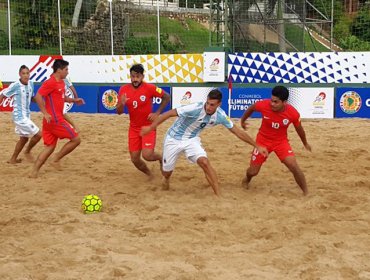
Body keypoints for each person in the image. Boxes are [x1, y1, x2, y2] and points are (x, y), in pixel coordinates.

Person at [141, 89, 268, 196]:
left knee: (204, 162)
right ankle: (166, 177)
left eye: (212, 104)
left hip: (191, 139)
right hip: (173, 139)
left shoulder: (221, 116)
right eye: (207, 103)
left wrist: (257, 146)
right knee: (167, 172)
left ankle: (219, 196)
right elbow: (169, 113)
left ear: (219, 104)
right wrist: (150, 128)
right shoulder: (194, 108)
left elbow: (237, 131)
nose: (208, 107)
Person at [240, 85, 312, 196]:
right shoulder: (264, 105)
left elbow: (299, 129)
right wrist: (243, 121)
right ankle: (247, 178)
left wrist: (305, 143)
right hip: (262, 141)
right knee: (253, 171)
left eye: (276, 102)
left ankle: (306, 192)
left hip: (281, 142)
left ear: (284, 102)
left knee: (294, 166)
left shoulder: (293, 113)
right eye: (271, 100)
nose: (272, 104)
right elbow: (251, 108)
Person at [30, 59, 85, 178]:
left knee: (49, 147)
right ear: (59, 70)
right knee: (76, 139)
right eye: (66, 69)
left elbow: (62, 97)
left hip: (51, 121)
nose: (67, 72)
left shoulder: (61, 82)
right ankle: (56, 159)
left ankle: (34, 171)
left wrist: (74, 100)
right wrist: (44, 112)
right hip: (55, 120)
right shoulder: (50, 82)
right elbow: (38, 96)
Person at [116, 64, 170, 178]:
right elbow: (119, 112)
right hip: (134, 128)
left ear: (142, 76)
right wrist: (121, 103)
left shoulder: (149, 88)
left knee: (147, 155)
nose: (135, 79)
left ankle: (161, 158)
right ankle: (150, 175)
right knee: (135, 159)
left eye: (138, 76)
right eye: (133, 76)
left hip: (148, 127)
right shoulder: (123, 89)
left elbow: (167, 96)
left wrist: (157, 113)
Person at [0, 65, 42, 163]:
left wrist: (41, 101)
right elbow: (2, 95)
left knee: (24, 139)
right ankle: (27, 152)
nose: (26, 75)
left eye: (27, 73)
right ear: (19, 74)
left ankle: (13, 159)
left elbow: (31, 98)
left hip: (27, 115)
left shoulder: (31, 83)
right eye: (23, 73)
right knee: (39, 134)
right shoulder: (16, 85)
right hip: (19, 116)